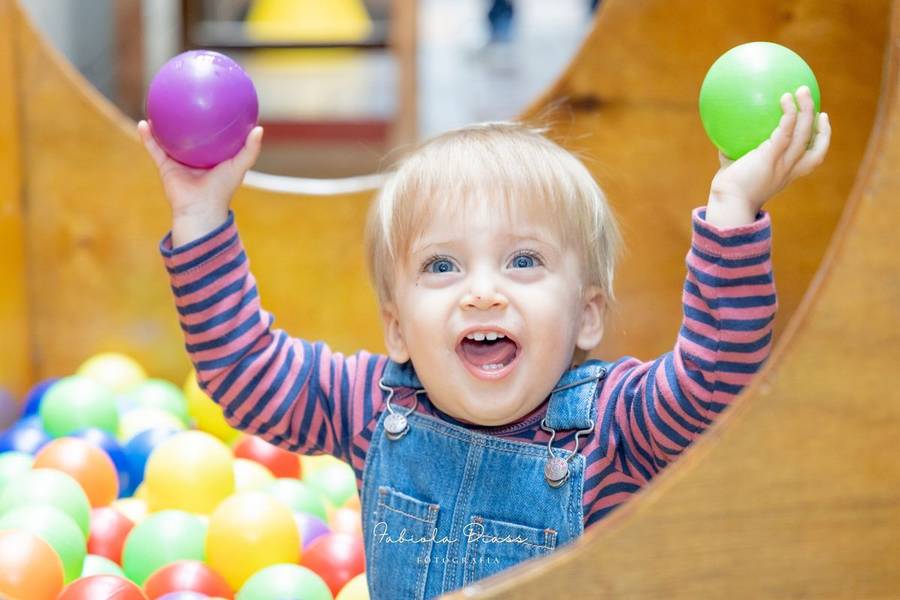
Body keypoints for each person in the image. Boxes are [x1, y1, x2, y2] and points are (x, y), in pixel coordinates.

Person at [137, 85, 830, 599]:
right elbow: (244, 369)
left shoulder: (616, 421)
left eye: (523, 261)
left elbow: (720, 382)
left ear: (588, 316)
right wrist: (201, 217)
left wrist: (733, 212)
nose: (483, 292)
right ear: (397, 329)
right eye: (442, 266)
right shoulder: (370, 407)